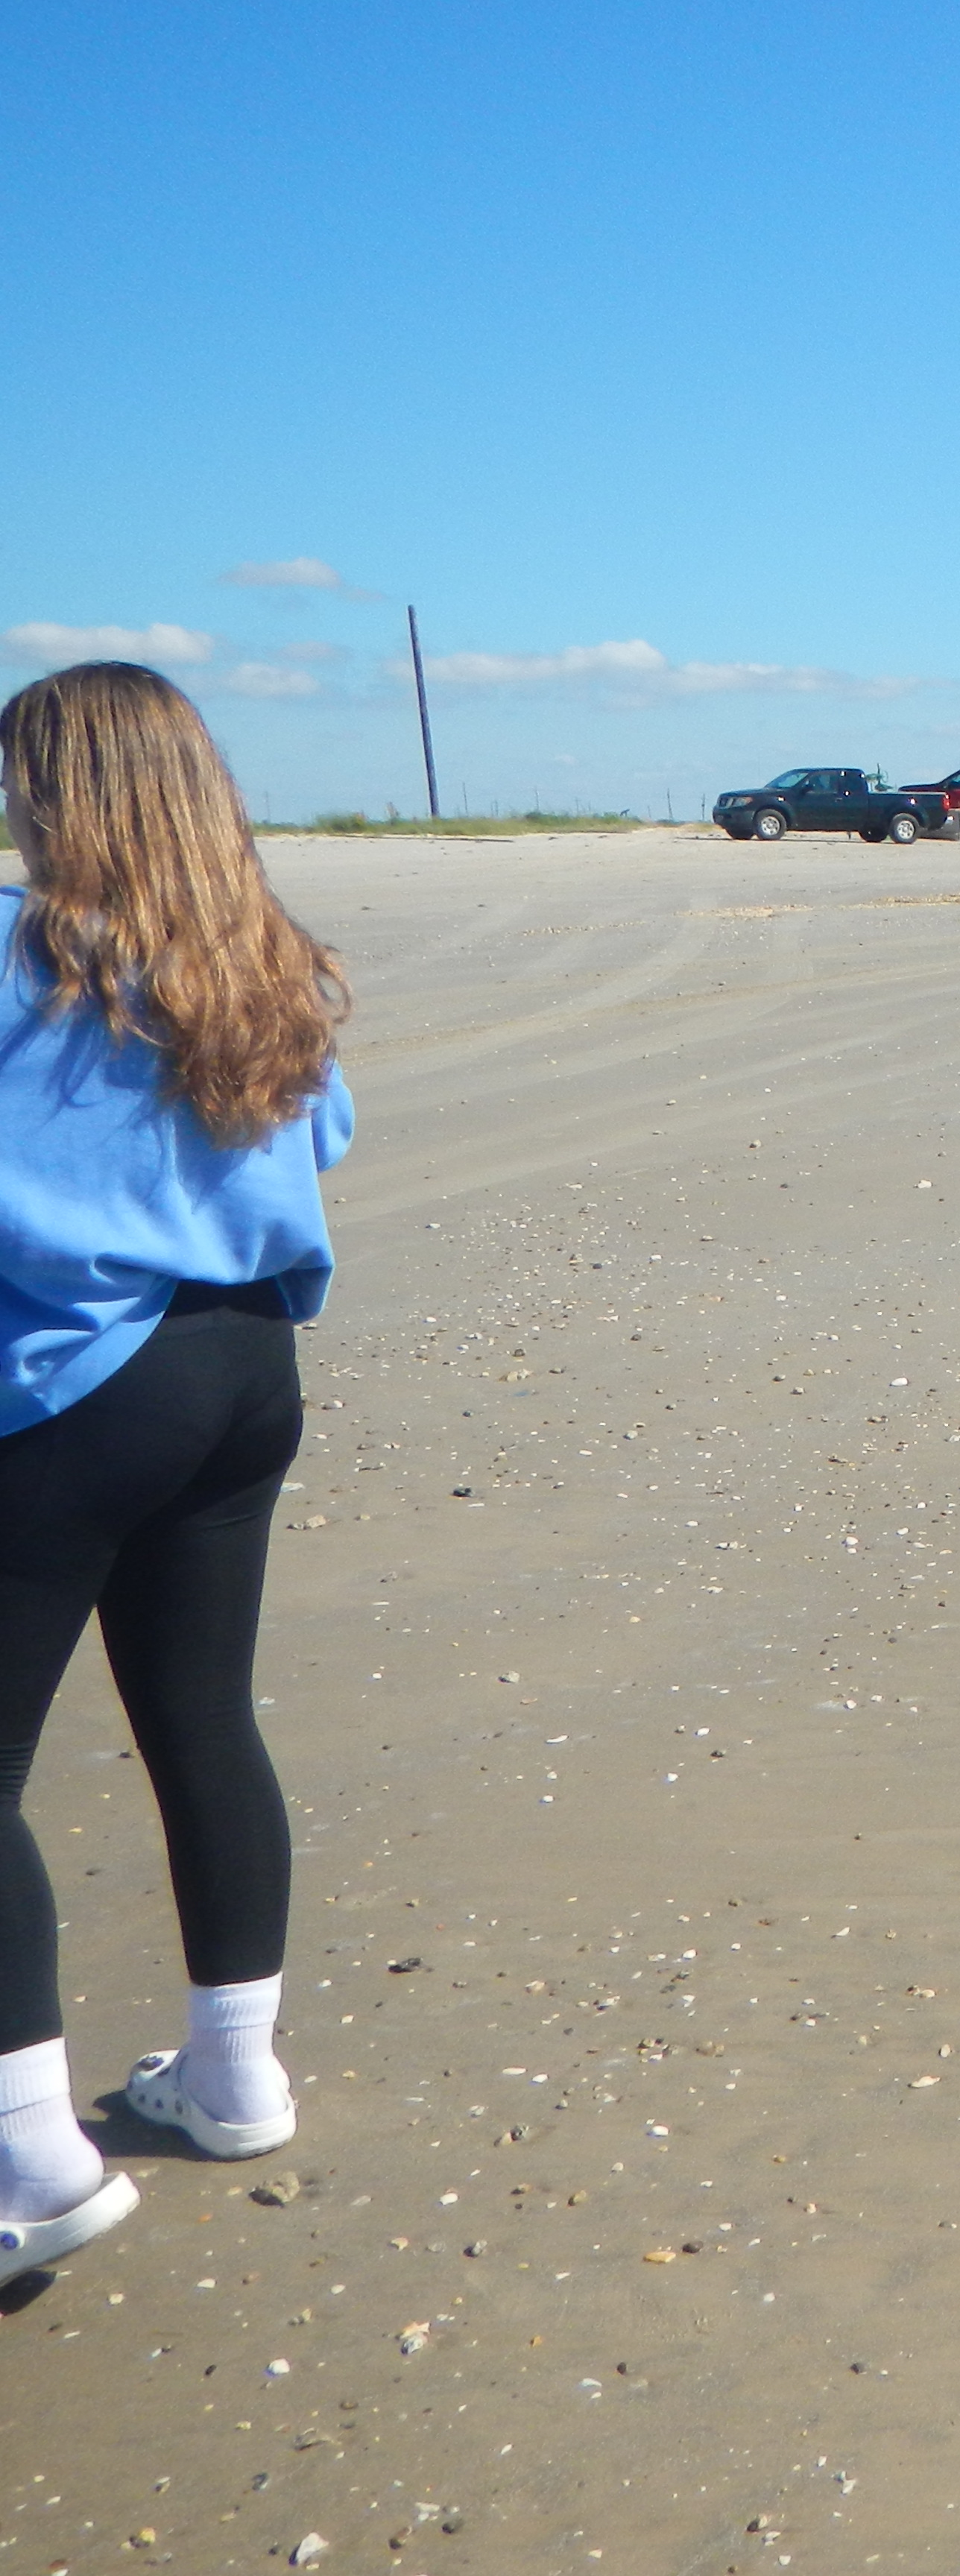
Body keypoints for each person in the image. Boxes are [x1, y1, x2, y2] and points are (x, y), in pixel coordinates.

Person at [0, 663, 351, 2271]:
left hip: (84, 1382)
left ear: (55, 797)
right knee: (203, 1718)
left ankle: (30, 2164)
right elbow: (316, 1138)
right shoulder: (256, 963)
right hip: (244, 1368)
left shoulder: (24, 970)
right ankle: (232, 2075)